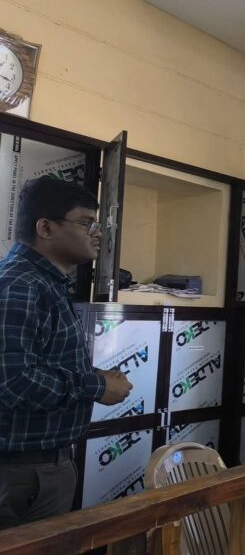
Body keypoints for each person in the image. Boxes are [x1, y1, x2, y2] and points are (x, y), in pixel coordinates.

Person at [0, 177, 133, 529]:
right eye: (86, 222)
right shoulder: (20, 285)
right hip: (22, 474)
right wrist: (96, 386)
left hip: (38, 469)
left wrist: (96, 377)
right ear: (45, 227)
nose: (97, 234)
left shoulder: (43, 283)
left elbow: (37, 363)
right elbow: (13, 381)